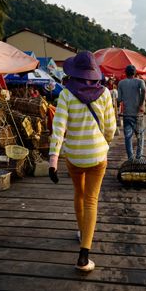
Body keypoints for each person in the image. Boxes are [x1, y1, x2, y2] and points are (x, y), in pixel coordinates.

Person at [48, 51, 116, 272]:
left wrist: (53, 160)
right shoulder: (105, 93)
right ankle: (84, 256)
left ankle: (81, 230)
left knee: (79, 193)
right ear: (94, 72)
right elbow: (110, 128)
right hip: (97, 156)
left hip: (74, 157)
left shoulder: (66, 94)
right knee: (91, 200)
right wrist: (103, 143)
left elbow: (58, 129)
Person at [117, 65, 146, 160]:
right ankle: (139, 156)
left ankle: (130, 158)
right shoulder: (139, 81)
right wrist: (141, 104)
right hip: (138, 114)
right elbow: (144, 90)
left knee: (128, 137)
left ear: (125, 73)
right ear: (135, 73)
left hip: (127, 114)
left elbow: (120, 99)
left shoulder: (121, 83)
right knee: (140, 136)